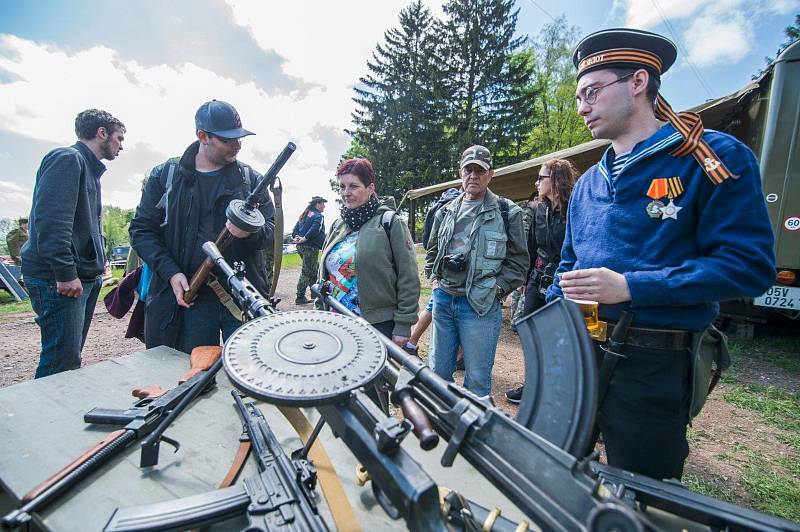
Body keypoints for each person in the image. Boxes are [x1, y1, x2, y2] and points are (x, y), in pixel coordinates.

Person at [546, 28, 775, 480]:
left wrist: (630, 286)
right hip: (579, 354)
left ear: (638, 82)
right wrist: (555, 313)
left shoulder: (710, 157)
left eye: (592, 92)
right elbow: (568, 264)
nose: (581, 107)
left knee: (643, 493)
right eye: (578, 97)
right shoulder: (589, 182)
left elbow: (750, 267)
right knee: (557, 475)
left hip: (653, 368)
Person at [130, 99, 274, 353]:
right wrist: (170, 272)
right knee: (188, 378)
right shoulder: (164, 177)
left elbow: (271, 231)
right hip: (188, 299)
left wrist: (251, 232)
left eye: (239, 138)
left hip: (241, 298)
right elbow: (142, 231)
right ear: (202, 136)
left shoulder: (251, 180)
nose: (236, 145)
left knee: (249, 377)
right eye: (227, 140)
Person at [21, 109, 125, 378]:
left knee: (70, 357)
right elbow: (51, 222)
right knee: (60, 361)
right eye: (119, 138)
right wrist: (65, 272)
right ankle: (47, 417)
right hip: (58, 280)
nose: (121, 146)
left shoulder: (88, 168)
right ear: (101, 132)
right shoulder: (68, 159)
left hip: (82, 277)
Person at [425, 145, 528, 397]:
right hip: (444, 300)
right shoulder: (445, 211)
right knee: (437, 375)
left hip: (480, 306)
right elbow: (432, 251)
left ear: (490, 174)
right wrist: (435, 280)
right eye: (468, 170)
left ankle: (472, 434)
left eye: (479, 170)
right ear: (461, 172)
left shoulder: (508, 212)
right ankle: (443, 428)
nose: (473, 176)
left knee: (478, 381)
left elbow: (519, 262)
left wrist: (497, 289)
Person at [320, 158, 419, 343]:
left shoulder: (390, 222)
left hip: (376, 325)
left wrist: (403, 324)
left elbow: (409, 276)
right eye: (342, 187)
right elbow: (326, 274)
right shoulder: (337, 225)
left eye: (353, 186)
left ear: (370, 188)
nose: (346, 193)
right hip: (336, 320)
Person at [506, 159, 578, 404]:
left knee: (562, 339)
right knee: (530, 333)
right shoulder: (539, 210)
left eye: (541, 178)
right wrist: (525, 280)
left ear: (556, 180)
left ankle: (562, 392)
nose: (536, 183)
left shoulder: (575, 208)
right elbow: (532, 247)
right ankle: (533, 385)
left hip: (565, 283)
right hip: (538, 279)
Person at [293, 196, 327, 304]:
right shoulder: (318, 216)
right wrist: (305, 238)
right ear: (317, 204)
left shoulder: (304, 215)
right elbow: (315, 229)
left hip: (302, 246)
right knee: (307, 271)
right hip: (310, 247)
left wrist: (297, 237)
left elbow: (295, 230)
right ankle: (300, 296)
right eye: (323, 204)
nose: (324, 206)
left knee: (314, 270)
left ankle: (314, 294)